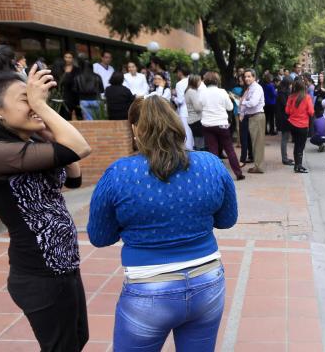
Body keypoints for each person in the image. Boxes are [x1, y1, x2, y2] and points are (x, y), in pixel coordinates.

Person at [87, 96, 237, 351]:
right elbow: (227, 220)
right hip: (207, 282)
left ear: (136, 129)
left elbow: (100, 236)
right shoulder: (211, 164)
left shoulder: (120, 173)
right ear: (176, 124)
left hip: (148, 289)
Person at [0, 67, 92, 351]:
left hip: (63, 265)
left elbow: (74, 179)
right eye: (25, 99)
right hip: (40, 273)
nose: (35, 102)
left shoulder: (27, 145)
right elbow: (80, 147)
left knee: (76, 339)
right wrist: (43, 108)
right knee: (62, 347)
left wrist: (49, 134)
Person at [200, 72, 245, 181]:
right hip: (221, 124)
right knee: (229, 149)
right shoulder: (222, 92)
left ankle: (215, 175)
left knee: (213, 150)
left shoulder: (202, 92)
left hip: (207, 124)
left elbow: (199, 105)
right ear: (217, 81)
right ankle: (238, 173)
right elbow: (229, 107)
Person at [285, 78, 314, 173]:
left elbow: (287, 111)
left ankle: (297, 165)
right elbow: (311, 111)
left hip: (292, 124)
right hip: (302, 125)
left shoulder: (291, 97)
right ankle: (299, 165)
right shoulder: (307, 97)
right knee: (300, 146)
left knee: (296, 144)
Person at [240, 69, 266, 174]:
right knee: (255, 143)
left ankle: (258, 167)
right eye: (245, 76)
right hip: (252, 117)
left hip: (257, 117)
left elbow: (253, 103)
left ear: (254, 77)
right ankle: (257, 166)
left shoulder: (257, 88)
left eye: (249, 76)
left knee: (258, 143)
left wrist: (242, 101)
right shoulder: (251, 88)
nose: (246, 78)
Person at [52, 52, 81, 120]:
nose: (67, 59)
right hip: (61, 96)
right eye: (66, 57)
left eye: (69, 57)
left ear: (73, 59)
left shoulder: (77, 69)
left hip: (73, 96)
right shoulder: (59, 68)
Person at [173, 66, 194, 150]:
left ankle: (189, 151)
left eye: (177, 73)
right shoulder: (193, 80)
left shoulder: (179, 84)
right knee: (193, 133)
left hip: (184, 111)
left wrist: (173, 97)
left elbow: (180, 100)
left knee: (187, 133)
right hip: (194, 110)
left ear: (180, 72)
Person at [275, 77, 293, 166]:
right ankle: (284, 158)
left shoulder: (281, 92)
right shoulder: (283, 93)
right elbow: (286, 106)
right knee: (284, 139)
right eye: (290, 84)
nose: (291, 86)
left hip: (283, 118)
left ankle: (285, 157)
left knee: (285, 138)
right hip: (284, 119)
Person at [185, 74, 204, 150]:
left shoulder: (188, 91)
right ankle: (200, 159)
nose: (200, 82)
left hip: (192, 119)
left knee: (197, 141)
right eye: (199, 81)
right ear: (195, 82)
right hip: (196, 119)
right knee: (200, 143)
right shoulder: (192, 92)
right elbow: (198, 108)